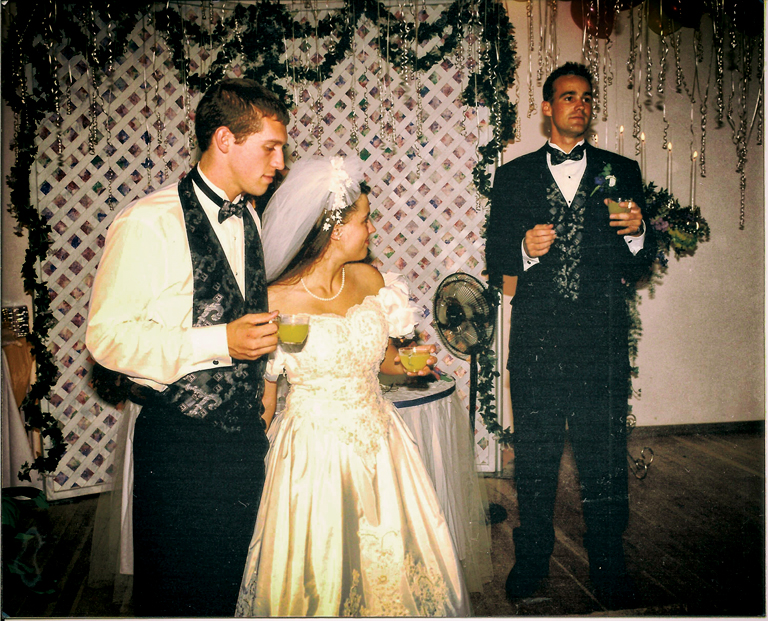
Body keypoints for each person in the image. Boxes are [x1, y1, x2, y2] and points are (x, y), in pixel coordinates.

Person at [85, 78, 289, 617]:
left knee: (230, 586)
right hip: (177, 444)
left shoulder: (249, 216)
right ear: (225, 139)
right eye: (270, 146)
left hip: (244, 439)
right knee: (176, 595)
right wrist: (221, 341)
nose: (281, 161)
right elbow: (106, 339)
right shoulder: (146, 222)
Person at [234, 155, 471, 617]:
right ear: (336, 229)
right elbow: (264, 396)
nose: (371, 231)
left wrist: (409, 365)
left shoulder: (369, 280)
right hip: (312, 455)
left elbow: (383, 362)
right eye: (365, 221)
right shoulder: (275, 298)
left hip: (382, 446)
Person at [485, 62, 653, 607]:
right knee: (534, 459)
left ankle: (608, 565)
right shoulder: (513, 176)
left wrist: (638, 234)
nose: (578, 106)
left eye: (586, 98)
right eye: (567, 97)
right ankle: (531, 561)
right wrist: (524, 253)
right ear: (548, 109)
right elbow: (495, 259)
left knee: (603, 459)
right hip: (537, 345)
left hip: (600, 345)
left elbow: (642, 260)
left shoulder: (619, 170)